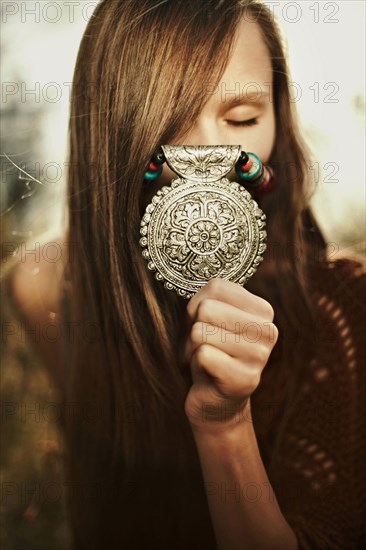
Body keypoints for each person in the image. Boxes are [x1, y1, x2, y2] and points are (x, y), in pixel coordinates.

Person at [6, 1, 366, 549]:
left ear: (279, 117)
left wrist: (224, 424)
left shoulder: (348, 309)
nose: (209, 155)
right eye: (168, 121)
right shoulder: (43, 288)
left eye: (243, 118)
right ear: (112, 130)